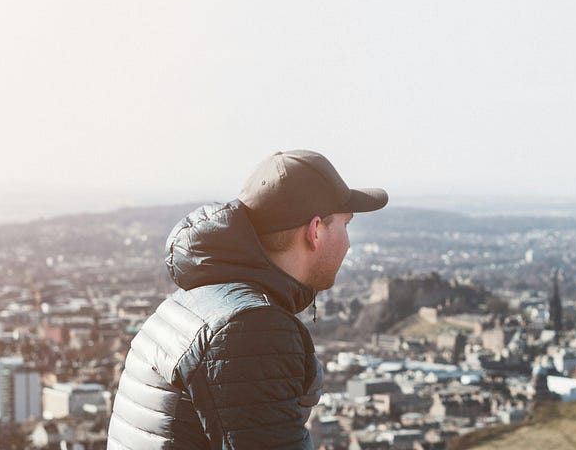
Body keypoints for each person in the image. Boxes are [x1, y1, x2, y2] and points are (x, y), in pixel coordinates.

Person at [108, 150, 387, 449]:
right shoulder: (251, 329)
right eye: (345, 225)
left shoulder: (201, 301)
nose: (348, 242)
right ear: (315, 231)